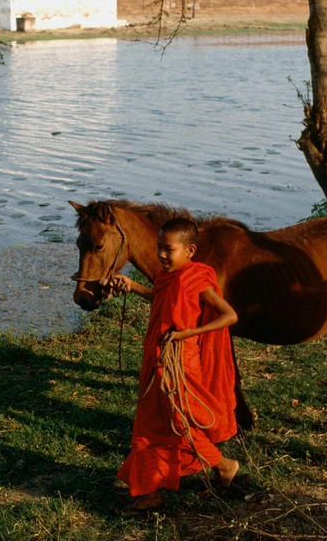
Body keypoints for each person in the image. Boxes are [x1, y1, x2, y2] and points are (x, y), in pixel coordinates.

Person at [109, 216, 240, 514]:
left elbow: (229, 315)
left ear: (190, 251)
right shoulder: (167, 277)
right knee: (151, 425)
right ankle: (150, 491)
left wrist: (187, 333)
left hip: (180, 362)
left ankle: (224, 465)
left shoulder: (197, 279)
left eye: (169, 249)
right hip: (157, 358)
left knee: (180, 424)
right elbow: (161, 299)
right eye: (159, 247)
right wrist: (132, 286)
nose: (161, 255)